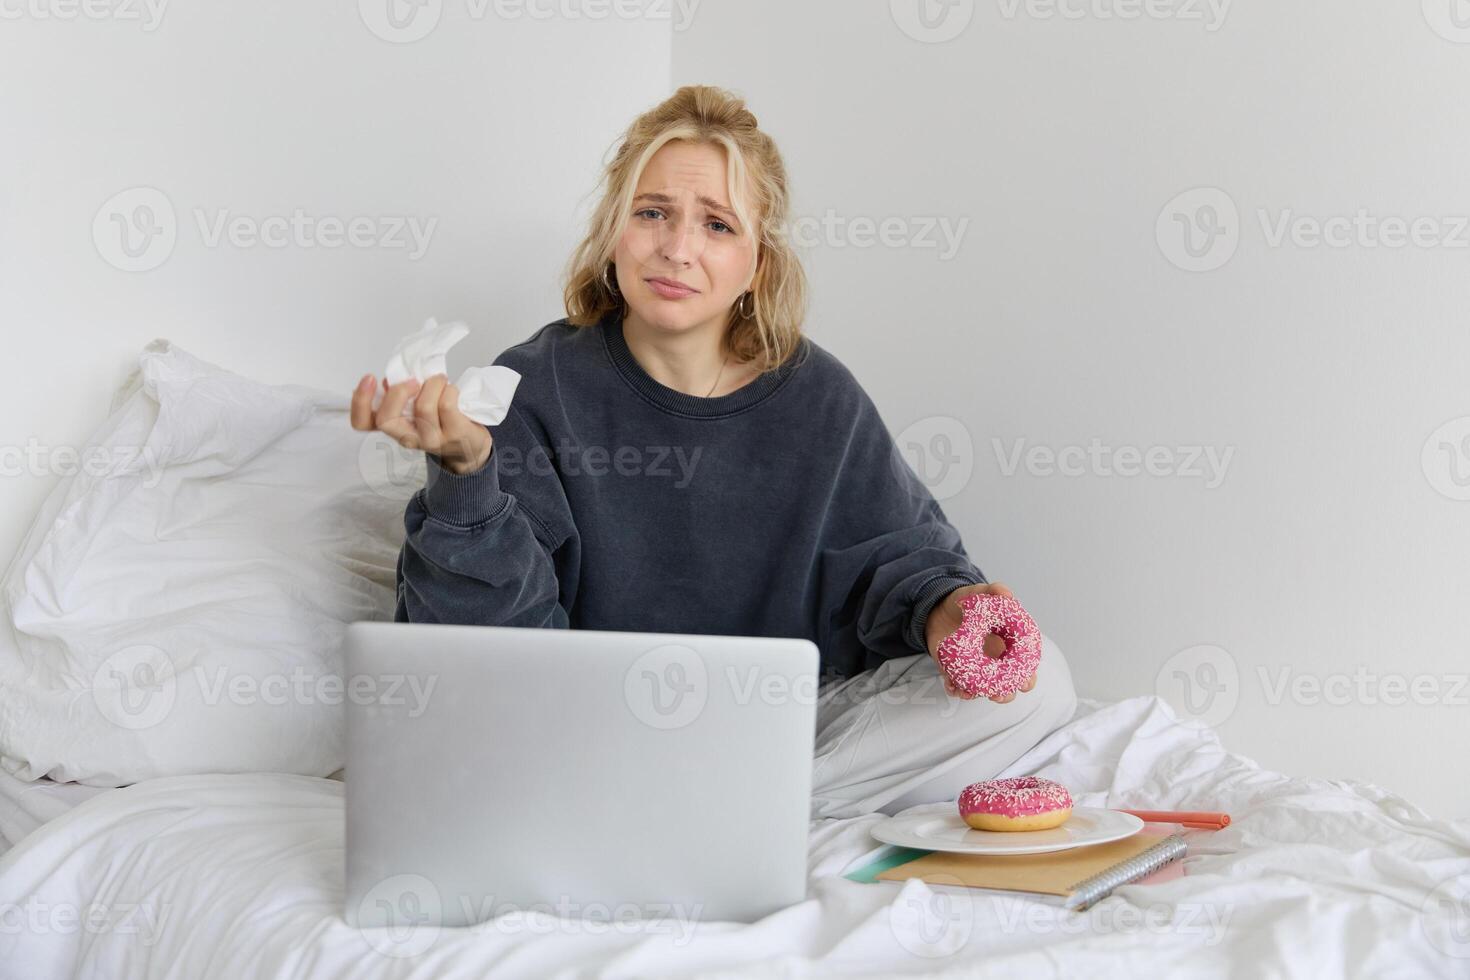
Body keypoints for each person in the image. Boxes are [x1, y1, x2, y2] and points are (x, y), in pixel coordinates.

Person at [349, 85, 1076, 820]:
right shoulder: (535, 386)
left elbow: (900, 558)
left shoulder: (820, 396)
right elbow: (487, 652)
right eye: (652, 212)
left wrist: (946, 607)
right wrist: (465, 476)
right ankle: (720, 811)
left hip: (777, 734)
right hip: (595, 732)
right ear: (614, 231)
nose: (677, 248)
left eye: (718, 225)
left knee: (1044, 683)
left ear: (757, 264)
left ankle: (707, 812)